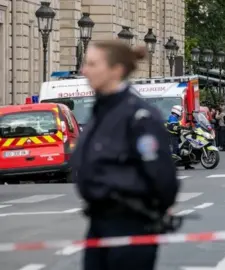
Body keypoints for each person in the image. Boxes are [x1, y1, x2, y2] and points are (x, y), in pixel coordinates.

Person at [71, 40, 180, 270]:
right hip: (99, 220)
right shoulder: (101, 111)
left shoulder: (137, 116)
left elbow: (162, 174)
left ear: (116, 70)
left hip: (131, 221)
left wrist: (152, 211)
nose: (84, 70)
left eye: (92, 64)